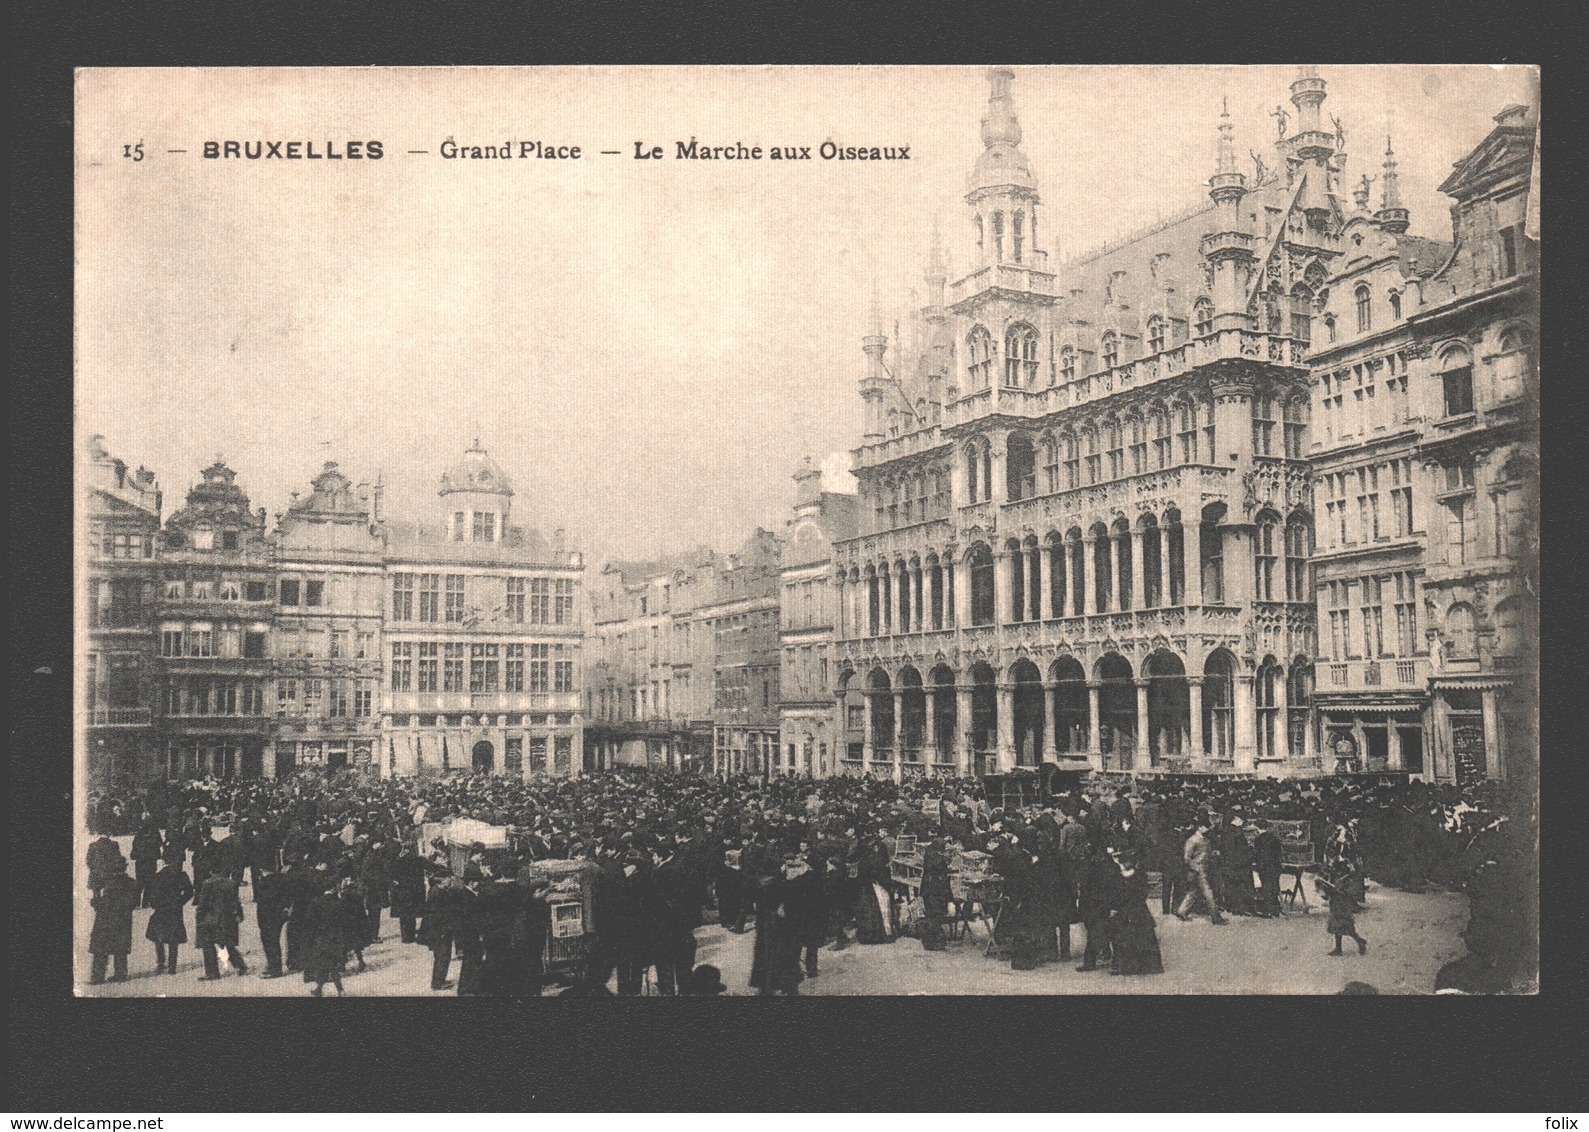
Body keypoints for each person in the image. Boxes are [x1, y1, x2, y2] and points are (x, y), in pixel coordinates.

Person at [1105, 848, 1163, 976]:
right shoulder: (1118, 876)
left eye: (1128, 861)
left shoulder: (1139, 875)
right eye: (1124, 861)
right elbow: (1114, 893)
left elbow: (1142, 893)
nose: (1126, 864)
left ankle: (1145, 966)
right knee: (1124, 939)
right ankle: (1126, 966)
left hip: (1136, 910)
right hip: (1125, 911)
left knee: (1142, 938)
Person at [88, 862, 140, 984]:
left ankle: (98, 976)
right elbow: (134, 902)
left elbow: (100, 903)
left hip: (105, 920)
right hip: (123, 920)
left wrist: (95, 902)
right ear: (124, 868)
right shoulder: (132, 882)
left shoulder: (107, 882)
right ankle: (120, 974)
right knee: (120, 948)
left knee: (100, 949)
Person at [194, 869, 249, 980]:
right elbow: (236, 901)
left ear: (211, 871)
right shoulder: (231, 883)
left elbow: (202, 903)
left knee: (208, 945)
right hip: (227, 918)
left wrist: (199, 916)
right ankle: (240, 966)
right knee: (227, 943)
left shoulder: (207, 883)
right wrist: (239, 914)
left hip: (210, 919)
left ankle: (212, 973)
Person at [299, 877, 350, 996]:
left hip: (321, 938)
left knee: (326, 964)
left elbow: (309, 923)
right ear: (333, 888)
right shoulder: (339, 903)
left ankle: (335, 989)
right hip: (336, 937)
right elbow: (345, 921)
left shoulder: (316, 902)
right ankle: (323, 989)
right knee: (330, 964)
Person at [144, 857, 193, 976]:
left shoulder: (157, 876)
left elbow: (150, 894)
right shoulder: (181, 875)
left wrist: (155, 904)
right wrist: (180, 902)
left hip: (161, 910)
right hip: (175, 910)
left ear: (163, 862)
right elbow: (190, 892)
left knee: (157, 936)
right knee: (173, 938)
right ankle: (172, 966)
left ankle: (161, 962)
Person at [1174, 816, 1227, 925]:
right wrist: (1195, 867)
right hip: (1198, 870)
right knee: (1208, 894)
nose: (1208, 829)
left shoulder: (1204, 839)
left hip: (1202, 868)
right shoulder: (1193, 840)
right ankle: (1215, 917)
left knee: (1193, 892)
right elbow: (1186, 857)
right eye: (1206, 827)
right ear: (1200, 827)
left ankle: (1181, 911)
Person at [418, 871, 465, 991]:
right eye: (449, 878)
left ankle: (440, 979)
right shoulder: (437, 893)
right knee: (442, 956)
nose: (450, 880)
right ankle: (438, 983)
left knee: (443, 955)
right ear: (442, 879)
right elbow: (436, 915)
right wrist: (444, 930)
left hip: (441, 930)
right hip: (440, 931)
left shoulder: (438, 891)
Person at [1319, 854, 1368, 956]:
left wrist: (1339, 890)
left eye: (1338, 868)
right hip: (1336, 903)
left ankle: (1359, 941)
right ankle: (1338, 948)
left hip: (1343, 904)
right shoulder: (1336, 877)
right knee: (1335, 926)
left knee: (1346, 926)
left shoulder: (1348, 879)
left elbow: (1350, 892)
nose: (1337, 870)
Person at [252, 861, 292, 978]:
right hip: (277, 918)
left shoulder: (267, 883)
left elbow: (265, 902)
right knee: (273, 943)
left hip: (268, 919)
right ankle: (272, 966)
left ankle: (274, 969)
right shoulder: (280, 880)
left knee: (270, 943)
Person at [388, 845, 429, 944]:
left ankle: (406, 937)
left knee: (404, 914)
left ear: (405, 850)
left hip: (403, 891)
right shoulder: (419, 860)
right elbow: (431, 866)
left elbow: (391, 875)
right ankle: (411, 934)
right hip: (416, 891)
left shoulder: (399, 861)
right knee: (413, 913)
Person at [918, 837, 952, 953]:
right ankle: (934, 942)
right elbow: (939, 869)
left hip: (930, 889)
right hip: (935, 890)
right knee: (935, 916)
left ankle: (931, 942)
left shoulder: (930, 854)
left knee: (932, 916)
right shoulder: (935, 857)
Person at [1251, 820, 1285, 918]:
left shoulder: (1258, 839)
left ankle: (1268, 910)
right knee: (1274, 886)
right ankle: (1276, 909)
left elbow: (1257, 853)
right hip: (1275, 866)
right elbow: (1279, 852)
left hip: (1264, 866)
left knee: (1266, 887)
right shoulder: (1274, 838)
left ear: (1257, 829)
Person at [129, 816, 164, 908]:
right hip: (151, 860)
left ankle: (136, 902)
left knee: (139, 881)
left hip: (140, 860)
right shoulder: (155, 832)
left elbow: (135, 845)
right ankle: (145, 902)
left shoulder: (140, 833)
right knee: (150, 882)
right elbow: (160, 843)